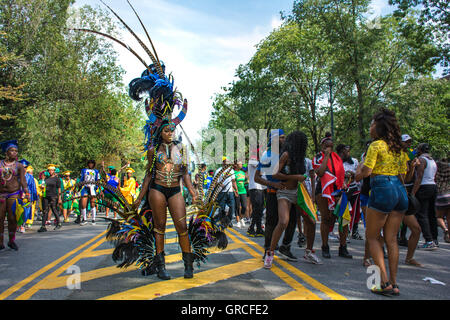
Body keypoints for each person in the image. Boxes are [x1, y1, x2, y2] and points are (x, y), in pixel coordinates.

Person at [355, 108, 409, 296]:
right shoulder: (399, 147)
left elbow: (366, 173)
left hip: (382, 188)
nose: (370, 127)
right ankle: (394, 284)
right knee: (391, 239)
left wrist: (358, 171)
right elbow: (404, 174)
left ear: (378, 127)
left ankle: (384, 282)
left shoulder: (376, 145)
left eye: (372, 124)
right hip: (400, 191)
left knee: (372, 237)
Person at [264, 131, 322, 269]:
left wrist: (311, 196)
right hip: (285, 192)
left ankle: (308, 251)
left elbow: (308, 177)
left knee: (311, 221)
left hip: (299, 192)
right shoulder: (286, 155)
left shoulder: (302, 159)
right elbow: (275, 174)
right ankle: (269, 253)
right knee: (283, 221)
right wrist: (295, 177)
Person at [255, 129, 298, 261]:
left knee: (292, 221)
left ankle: (285, 247)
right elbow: (257, 178)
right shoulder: (267, 155)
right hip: (273, 193)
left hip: (290, 193)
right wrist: (273, 184)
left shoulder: (288, 154)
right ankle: (268, 248)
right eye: (281, 138)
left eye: (285, 137)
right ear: (274, 140)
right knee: (271, 222)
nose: (284, 140)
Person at [313, 133, 352, 259]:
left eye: (331, 145)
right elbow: (320, 172)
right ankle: (325, 246)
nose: (329, 147)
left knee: (343, 219)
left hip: (339, 191)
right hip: (324, 192)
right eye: (326, 145)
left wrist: (345, 181)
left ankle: (343, 247)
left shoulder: (337, 158)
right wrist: (326, 156)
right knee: (326, 219)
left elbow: (340, 173)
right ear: (322, 146)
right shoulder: (318, 157)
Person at [0, 140, 29, 250]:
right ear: (6, 152)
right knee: (0, 218)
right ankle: (0, 242)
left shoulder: (19, 166)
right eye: (12, 151)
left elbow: (23, 181)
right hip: (1, 195)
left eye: (16, 151)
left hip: (14, 194)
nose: (14, 153)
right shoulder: (0, 164)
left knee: (12, 218)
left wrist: (27, 193)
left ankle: (11, 241)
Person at [412, 143, 438, 249]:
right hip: (433, 186)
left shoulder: (422, 160)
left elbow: (419, 177)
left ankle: (428, 240)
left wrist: (413, 192)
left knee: (422, 214)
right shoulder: (432, 160)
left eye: (417, 149)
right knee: (432, 214)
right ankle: (434, 238)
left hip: (424, 187)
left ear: (420, 150)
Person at [336, 144, 363, 240]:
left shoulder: (355, 161)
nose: (347, 153)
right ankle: (344, 233)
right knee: (343, 211)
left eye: (348, 151)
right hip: (343, 189)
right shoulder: (338, 162)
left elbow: (359, 174)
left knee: (356, 211)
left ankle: (354, 231)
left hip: (354, 188)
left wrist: (353, 174)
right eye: (344, 151)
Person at [214, 157, 238, 228]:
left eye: (228, 161)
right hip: (222, 192)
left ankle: (229, 220)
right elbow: (215, 182)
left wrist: (236, 190)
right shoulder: (218, 170)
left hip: (230, 191)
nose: (227, 162)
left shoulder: (231, 170)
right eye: (226, 161)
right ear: (223, 162)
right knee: (221, 208)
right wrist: (221, 184)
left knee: (232, 207)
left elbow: (233, 181)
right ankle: (222, 221)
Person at [38, 164, 62, 232]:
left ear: (54, 171)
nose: (50, 171)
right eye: (49, 170)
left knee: (54, 209)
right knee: (45, 210)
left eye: (52, 170)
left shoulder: (57, 179)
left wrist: (59, 198)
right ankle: (43, 226)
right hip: (46, 196)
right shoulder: (46, 178)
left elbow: (59, 189)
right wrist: (42, 180)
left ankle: (59, 223)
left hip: (53, 196)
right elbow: (42, 186)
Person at [247, 148, 265, 237]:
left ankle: (259, 229)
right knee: (257, 209)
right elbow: (261, 169)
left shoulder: (258, 161)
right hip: (254, 188)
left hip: (260, 188)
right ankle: (251, 227)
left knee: (259, 209)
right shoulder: (252, 160)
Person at [79, 160, 100, 226]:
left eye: (92, 164)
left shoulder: (96, 171)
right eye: (90, 163)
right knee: (83, 203)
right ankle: (84, 219)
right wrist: (78, 187)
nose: (91, 165)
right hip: (85, 188)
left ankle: (93, 219)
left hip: (93, 188)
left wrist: (99, 190)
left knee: (92, 204)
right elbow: (81, 179)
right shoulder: (84, 170)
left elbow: (98, 180)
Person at [435, 157, 449, 243]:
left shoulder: (438, 173)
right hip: (449, 193)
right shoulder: (448, 171)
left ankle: (445, 229)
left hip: (441, 194)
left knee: (439, 217)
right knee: (449, 218)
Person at [234, 161, 247, 229]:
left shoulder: (242, 173)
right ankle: (238, 221)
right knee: (237, 206)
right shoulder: (233, 173)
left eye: (242, 164)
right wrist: (235, 190)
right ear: (236, 165)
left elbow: (245, 181)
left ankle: (241, 217)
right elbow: (232, 182)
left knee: (244, 206)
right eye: (240, 164)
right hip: (237, 192)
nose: (241, 165)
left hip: (243, 191)